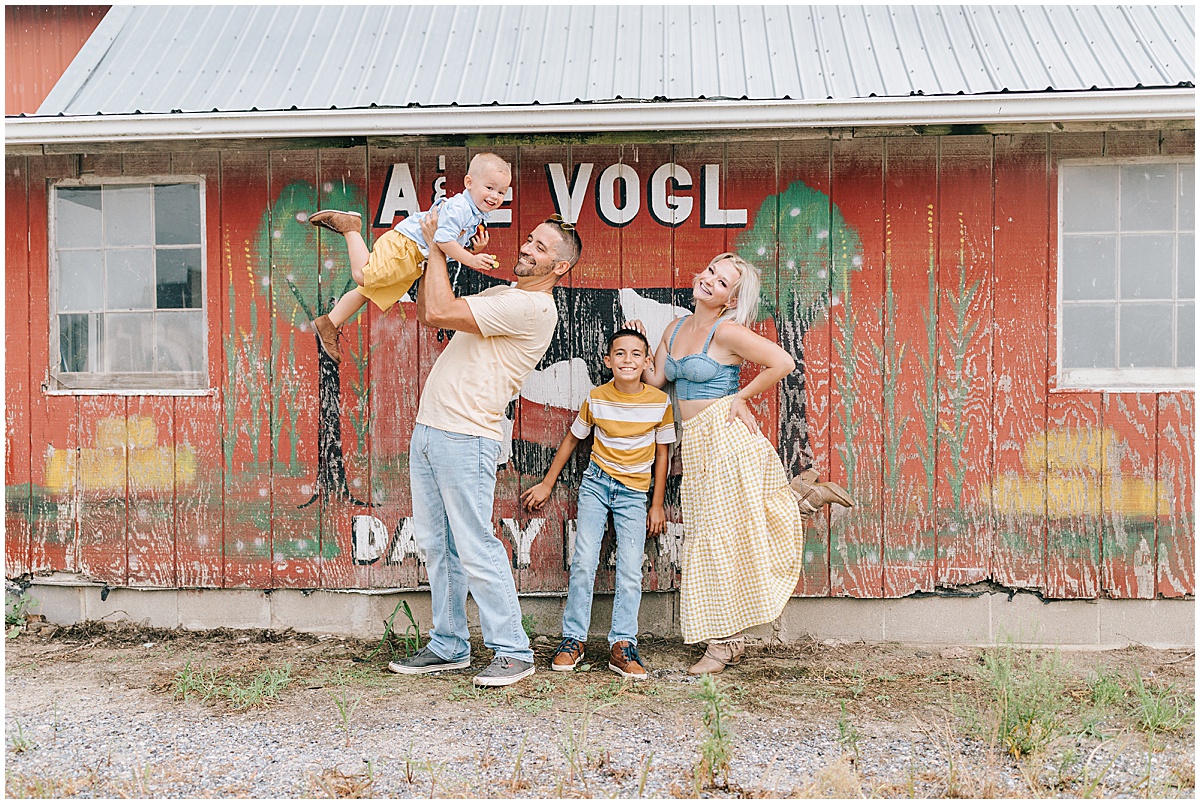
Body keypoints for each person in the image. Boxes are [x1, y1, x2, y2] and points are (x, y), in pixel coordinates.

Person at [631, 252, 854, 676]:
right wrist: (642, 358)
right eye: (710, 270)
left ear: (731, 300)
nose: (710, 279)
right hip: (694, 442)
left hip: (725, 435)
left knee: (718, 537)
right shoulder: (675, 327)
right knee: (716, 532)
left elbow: (783, 362)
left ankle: (726, 644)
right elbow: (657, 384)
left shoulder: (727, 331)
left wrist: (742, 396)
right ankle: (803, 499)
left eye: (723, 280)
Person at [387, 207, 583, 687]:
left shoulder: (533, 308)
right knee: (437, 544)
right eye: (530, 239)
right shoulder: (505, 293)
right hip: (432, 427)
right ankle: (449, 645)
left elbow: (438, 310)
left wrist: (437, 243)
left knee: (474, 544)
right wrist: (457, 252)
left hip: (466, 434)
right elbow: (434, 301)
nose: (527, 247)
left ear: (559, 268)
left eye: (540, 247)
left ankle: (513, 650)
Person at [520, 328, 674, 681]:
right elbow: (572, 439)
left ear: (647, 361)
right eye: (620, 354)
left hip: (635, 493)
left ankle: (622, 645)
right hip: (596, 485)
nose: (628, 360)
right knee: (584, 560)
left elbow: (663, 455)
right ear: (608, 361)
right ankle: (573, 639)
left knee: (631, 568)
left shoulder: (658, 403)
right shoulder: (596, 398)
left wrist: (657, 504)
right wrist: (547, 483)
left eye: (636, 354)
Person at [307, 152, 512, 363]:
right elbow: (441, 241)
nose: (495, 196)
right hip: (407, 246)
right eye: (489, 188)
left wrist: (471, 249)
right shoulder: (461, 208)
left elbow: (450, 244)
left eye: (501, 192)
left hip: (415, 257)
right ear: (469, 182)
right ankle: (350, 227)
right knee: (362, 275)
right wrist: (472, 260)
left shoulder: (475, 213)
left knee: (368, 290)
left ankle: (329, 323)